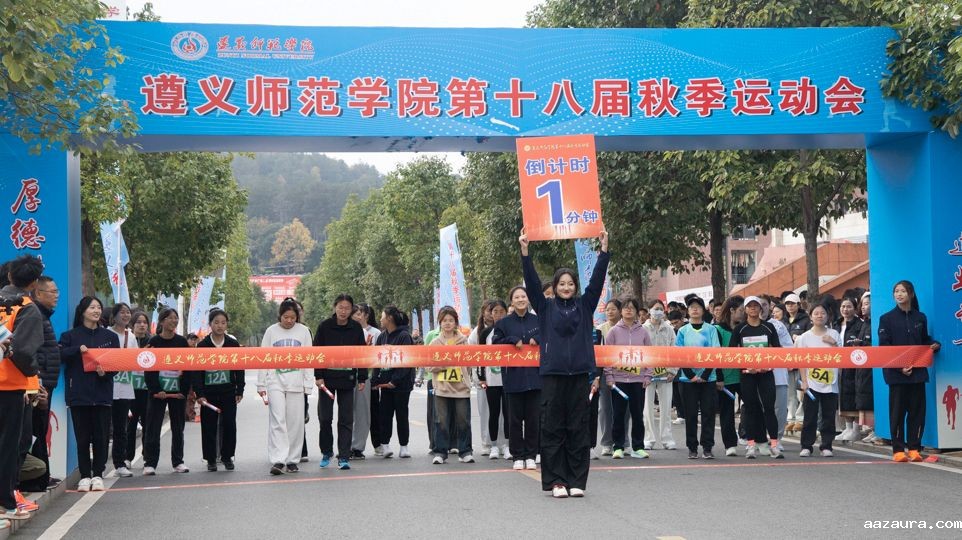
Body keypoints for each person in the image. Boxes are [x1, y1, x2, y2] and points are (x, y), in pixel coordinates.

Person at [519, 227, 609, 499]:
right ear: (555, 287)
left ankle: (576, 481)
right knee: (552, 429)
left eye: (570, 283)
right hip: (552, 376)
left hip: (579, 375)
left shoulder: (585, 305)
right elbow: (532, 283)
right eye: (561, 284)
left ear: (575, 287)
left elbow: (597, 281)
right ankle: (557, 481)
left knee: (578, 429)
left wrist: (604, 251)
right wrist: (525, 252)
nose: (566, 287)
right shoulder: (545, 307)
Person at [59, 296, 119, 492]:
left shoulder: (110, 337)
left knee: (101, 437)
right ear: (82, 311)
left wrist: (105, 373)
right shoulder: (70, 336)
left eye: (99, 307)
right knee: (82, 438)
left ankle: (98, 474)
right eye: (92, 307)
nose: (96, 311)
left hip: (102, 394)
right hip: (79, 394)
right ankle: (85, 475)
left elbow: (116, 364)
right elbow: (60, 355)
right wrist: (78, 350)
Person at [0, 256, 43, 524]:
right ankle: (4, 505)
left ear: (9, 275)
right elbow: (24, 352)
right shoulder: (26, 308)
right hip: (9, 386)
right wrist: (32, 373)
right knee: (7, 447)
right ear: (34, 282)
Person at [878, 280, 941, 463]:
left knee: (917, 413)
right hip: (896, 375)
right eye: (896, 291)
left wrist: (934, 345)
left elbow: (924, 340)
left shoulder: (920, 317)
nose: (899, 294)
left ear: (911, 294)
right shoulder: (886, 318)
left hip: (917, 373)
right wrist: (899, 367)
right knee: (897, 413)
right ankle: (898, 450)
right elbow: (885, 347)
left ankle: (914, 448)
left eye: (903, 291)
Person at [258, 299, 315, 475]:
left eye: (292, 317)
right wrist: (261, 383)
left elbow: (309, 359)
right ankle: (278, 460)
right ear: (280, 316)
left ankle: (292, 460)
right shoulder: (271, 331)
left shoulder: (304, 331)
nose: (289, 321)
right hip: (275, 381)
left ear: (297, 317)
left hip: (296, 382)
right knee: (277, 420)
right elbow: (263, 357)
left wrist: (308, 384)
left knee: (295, 422)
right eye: (286, 317)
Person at [314, 294, 367, 470]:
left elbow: (361, 354)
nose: (343, 311)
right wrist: (318, 376)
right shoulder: (324, 326)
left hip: (347, 379)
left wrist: (362, 377)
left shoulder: (355, 328)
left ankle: (344, 456)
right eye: (340, 307)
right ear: (335, 307)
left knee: (345, 419)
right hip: (327, 380)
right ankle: (326, 452)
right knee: (325, 418)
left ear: (351, 310)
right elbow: (317, 353)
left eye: (347, 308)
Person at [493, 287, 541, 472]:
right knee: (514, 420)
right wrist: (512, 339)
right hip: (513, 378)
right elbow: (495, 343)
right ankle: (518, 455)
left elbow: (550, 338)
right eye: (517, 297)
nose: (521, 299)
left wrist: (537, 337)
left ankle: (531, 455)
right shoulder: (503, 323)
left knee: (533, 420)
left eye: (523, 296)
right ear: (511, 301)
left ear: (528, 299)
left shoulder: (538, 320)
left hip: (535, 379)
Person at [730, 296, 782, 459]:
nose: (753, 308)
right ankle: (751, 445)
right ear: (745, 309)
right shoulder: (740, 329)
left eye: (756, 306)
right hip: (748, 374)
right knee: (751, 409)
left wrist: (767, 364)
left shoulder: (769, 327)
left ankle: (774, 444)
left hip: (766, 373)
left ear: (761, 309)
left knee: (769, 408)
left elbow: (777, 350)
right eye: (749, 306)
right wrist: (745, 367)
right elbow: (731, 352)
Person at [193, 309, 243, 472]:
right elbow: (197, 372)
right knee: (208, 426)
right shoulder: (203, 346)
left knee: (229, 425)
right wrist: (199, 394)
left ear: (226, 324)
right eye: (216, 322)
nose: (220, 326)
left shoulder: (232, 344)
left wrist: (240, 390)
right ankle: (210, 459)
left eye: (223, 322)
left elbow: (239, 368)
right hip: (209, 394)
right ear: (210, 325)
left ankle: (227, 457)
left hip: (228, 391)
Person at [143, 308, 191, 475]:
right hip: (158, 393)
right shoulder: (154, 342)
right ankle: (150, 463)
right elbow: (148, 366)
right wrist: (156, 389)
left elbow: (188, 366)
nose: (174, 321)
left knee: (178, 428)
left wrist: (183, 390)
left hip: (177, 392)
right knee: (153, 427)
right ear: (162, 321)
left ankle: (178, 461)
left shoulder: (182, 342)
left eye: (176, 318)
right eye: (170, 318)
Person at [603, 298, 651, 459]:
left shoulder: (643, 332)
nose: (628, 310)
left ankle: (638, 447)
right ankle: (618, 446)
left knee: (637, 414)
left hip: (638, 380)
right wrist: (609, 376)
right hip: (619, 381)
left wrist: (648, 375)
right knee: (618, 414)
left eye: (632, 308)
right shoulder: (613, 332)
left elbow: (650, 355)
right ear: (621, 311)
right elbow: (607, 356)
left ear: (637, 311)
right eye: (625, 308)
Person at [675, 296, 721, 459]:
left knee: (708, 413)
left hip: (709, 378)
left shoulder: (711, 329)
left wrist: (705, 375)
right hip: (688, 380)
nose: (695, 309)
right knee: (691, 414)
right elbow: (679, 355)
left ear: (703, 310)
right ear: (687, 311)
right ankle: (692, 447)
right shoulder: (683, 331)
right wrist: (692, 375)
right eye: (691, 307)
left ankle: (707, 447)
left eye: (698, 306)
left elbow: (715, 353)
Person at [428, 307, 474, 464]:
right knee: (441, 421)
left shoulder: (464, 341)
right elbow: (429, 366)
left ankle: (465, 451)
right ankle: (440, 452)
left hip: (461, 388)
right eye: (444, 320)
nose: (447, 323)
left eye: (451, 320)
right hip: (442, 389)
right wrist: (446, 363)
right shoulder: (435, 343)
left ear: (456, 323)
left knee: (463, 420)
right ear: (440, 323)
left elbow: (469, 364)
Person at [796, 304, 842, 457]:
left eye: (823, 313)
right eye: (816, 313)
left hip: (830, 382)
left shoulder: (834, 334)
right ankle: (806, 446)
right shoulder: (804, 337)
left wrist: (833, 343)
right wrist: (804, 381)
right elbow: (801, 361)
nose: (819, 316)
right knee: (810, 415)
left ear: (827, 316)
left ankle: (826, 445)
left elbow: (842, 357)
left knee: (829, 415)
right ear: (810, 316)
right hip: (811, 382)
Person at [371, 306, 415, 459]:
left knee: (402, 415)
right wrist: (375, 380)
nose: (380, 319)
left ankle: (404, 446)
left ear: (389, 318)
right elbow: (376, 360)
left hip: (402, 385)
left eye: (382, 316)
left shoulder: (404, 336)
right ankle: (385, 445)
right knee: (385, 415)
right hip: (385, 385)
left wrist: (395, 380)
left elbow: (407, 362)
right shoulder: (381, 337)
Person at [29, 276, 60, 487]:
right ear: (38, 293)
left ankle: (43, 476)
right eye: (52, 292)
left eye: (57, 291)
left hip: (45, 382)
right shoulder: (34, 314)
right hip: (39, 383)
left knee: (41, 429)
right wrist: (38, 377)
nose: (56, 296)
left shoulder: (43, 315)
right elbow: (32, 351)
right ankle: (36, 479)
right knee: (36, 429)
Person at [106, 303, 137, 478]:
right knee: (103, 428)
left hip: (125, 386)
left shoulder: (130, 336)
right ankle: (100, 465)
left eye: (128, 312)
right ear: (114, 315)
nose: (126, 315)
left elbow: (135, 359)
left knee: (121, 428)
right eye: (122, 312)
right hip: (107, 386)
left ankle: (120, 463)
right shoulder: (105, 333)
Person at [642, 300, 677, 451]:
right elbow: (639, 351)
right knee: (647, 409)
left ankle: (667, 438)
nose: (658, 311)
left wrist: (672, 371)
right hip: (647, 374)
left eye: (661, 309)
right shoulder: (642, 329)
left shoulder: (669, 329)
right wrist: (643, 372)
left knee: (666, 407)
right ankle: (649, 439)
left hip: (665, 373)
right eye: (655, 309)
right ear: (649, 310)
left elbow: (675, 350)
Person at [478, 300, 509, 460]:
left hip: (509, 379)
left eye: (501, 311)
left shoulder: (511, 330)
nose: (498, 315)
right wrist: (481, 377)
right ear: (490, 314)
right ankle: (494, 445)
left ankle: (507, 445)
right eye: (495, 311)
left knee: (508, 413)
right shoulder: (485, 333)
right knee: (494, 412)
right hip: (491, 379)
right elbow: (480, 357)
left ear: (506, 312)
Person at [350, 304, 380, 459]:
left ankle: (357, 447)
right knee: (346, 414)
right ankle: (345, 446)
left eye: (359, 314)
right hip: (343, 376)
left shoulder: (367, 334)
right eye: (354, 314)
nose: (357, 317)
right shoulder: (338, 330)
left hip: (362, 376)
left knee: (362, 413)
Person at [833, 297, 865, 442]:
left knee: (854, 395)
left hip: (854, 365)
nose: (845, 309)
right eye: (843, 306)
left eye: (849, 306)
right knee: (843, 396)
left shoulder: (860, 324)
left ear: (855, 308)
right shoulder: (837, 324)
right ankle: (848, 427)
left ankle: (856, 429)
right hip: (839, 364)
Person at [715, 295, 744, 456]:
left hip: (745, 375)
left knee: (752, 407)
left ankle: (749, 437)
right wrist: (719, 377)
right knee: (727, 412)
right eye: (741, 310)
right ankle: (730, 444)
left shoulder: (744, 328)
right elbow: (715, 355)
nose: (744, 313)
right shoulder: (718, 330)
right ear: (732, 310)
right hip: (726, 378)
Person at [469, 300, 497, 456]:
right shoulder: (477, 332)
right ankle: (486, 443)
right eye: (488, 310)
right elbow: (472, 356)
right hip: (483, 379)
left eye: (495, 311)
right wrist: (479, 378)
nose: (491, 314)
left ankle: (502, 443)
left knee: (501, 413)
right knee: (485, 411)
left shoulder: (503, 328)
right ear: (483, 312)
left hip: (500, 378)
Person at [595, 299, 622, 456]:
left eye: (613, 309)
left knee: (624, 408)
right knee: (605, 408)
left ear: (620, 310)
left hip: (624, 371)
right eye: (607, 310)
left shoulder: (627, 328)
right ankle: (607, 443)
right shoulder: (600, 330)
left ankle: (623, 441)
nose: (610, 312)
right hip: (605, 372)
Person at [125, 311, 151, 468]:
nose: (142, 325)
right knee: (131, 425)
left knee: (148, 424)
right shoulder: (127, 341)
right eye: (138, 322)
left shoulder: (152, 342)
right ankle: (128, 457)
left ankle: (147, 456)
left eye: (145, 322)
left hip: (147, 389)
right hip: (130, 389)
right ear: (132, 325)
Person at [855, 292, 876, 442]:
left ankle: (876, 429)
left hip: (873, 367)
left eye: (867, 304)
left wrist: (862, 344)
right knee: (865, 395)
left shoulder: (876, 323)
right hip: (863, 366)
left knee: (871, 396)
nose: (863, 307)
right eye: (862, 304)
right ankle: (871, 429)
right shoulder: (865, 323)